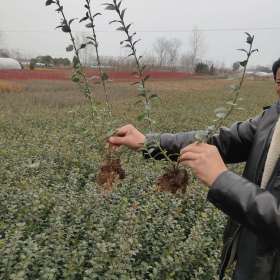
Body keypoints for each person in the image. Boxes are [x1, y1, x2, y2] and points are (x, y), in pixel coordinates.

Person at [108, 59, 280, 280]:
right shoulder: (273, 118)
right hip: (252, 263)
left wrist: (223, 179)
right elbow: (220, 140)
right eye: (279, 81)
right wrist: (148, 142)